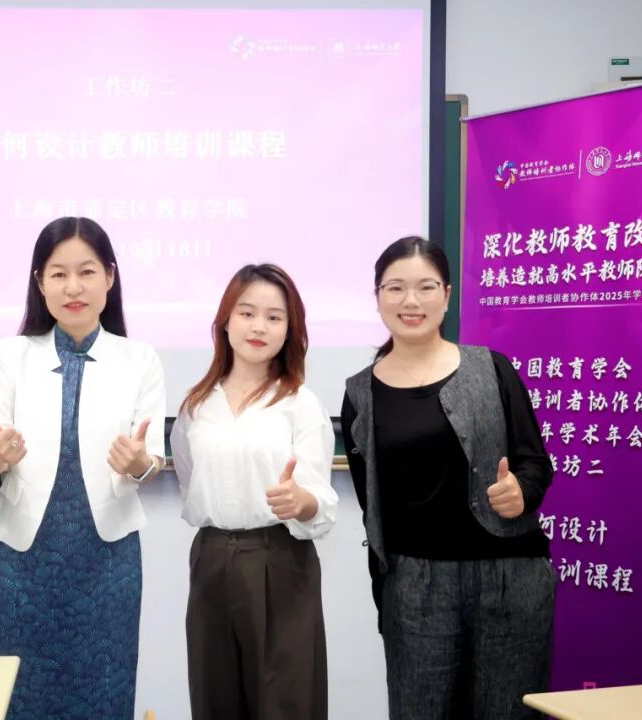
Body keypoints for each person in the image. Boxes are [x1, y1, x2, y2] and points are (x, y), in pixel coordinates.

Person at [341, 236, 555, 720]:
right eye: (395, 288)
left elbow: (535, 463)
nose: (410, 301)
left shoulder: (492, 368)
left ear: (447, 294)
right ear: (378, 297)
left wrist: (521, 492)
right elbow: (371, 504)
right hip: (415, 588)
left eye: (425, 287)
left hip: (510, 579)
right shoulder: (359, 394)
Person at [0, 217, 165, 719]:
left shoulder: (140, 359)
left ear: (110, 276)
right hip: (25, 560)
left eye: (87, 272)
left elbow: (152, 465)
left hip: (108, 562)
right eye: (58, 274)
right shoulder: (10, 355)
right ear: (40, 282)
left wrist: (140, 464)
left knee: (104, 693)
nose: (73, 287)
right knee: (20, 697)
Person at [170, 263, 338, 720]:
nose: (259, 327)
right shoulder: (196, 406)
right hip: (211, 560)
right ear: (226, 322)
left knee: (286, 702)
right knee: (215, 698)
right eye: (247, 313)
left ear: (290, 330)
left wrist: (302, 503)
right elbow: (189, 482)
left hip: (280, 560)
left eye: (274, 317)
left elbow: (320, 500)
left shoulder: (301, 404)